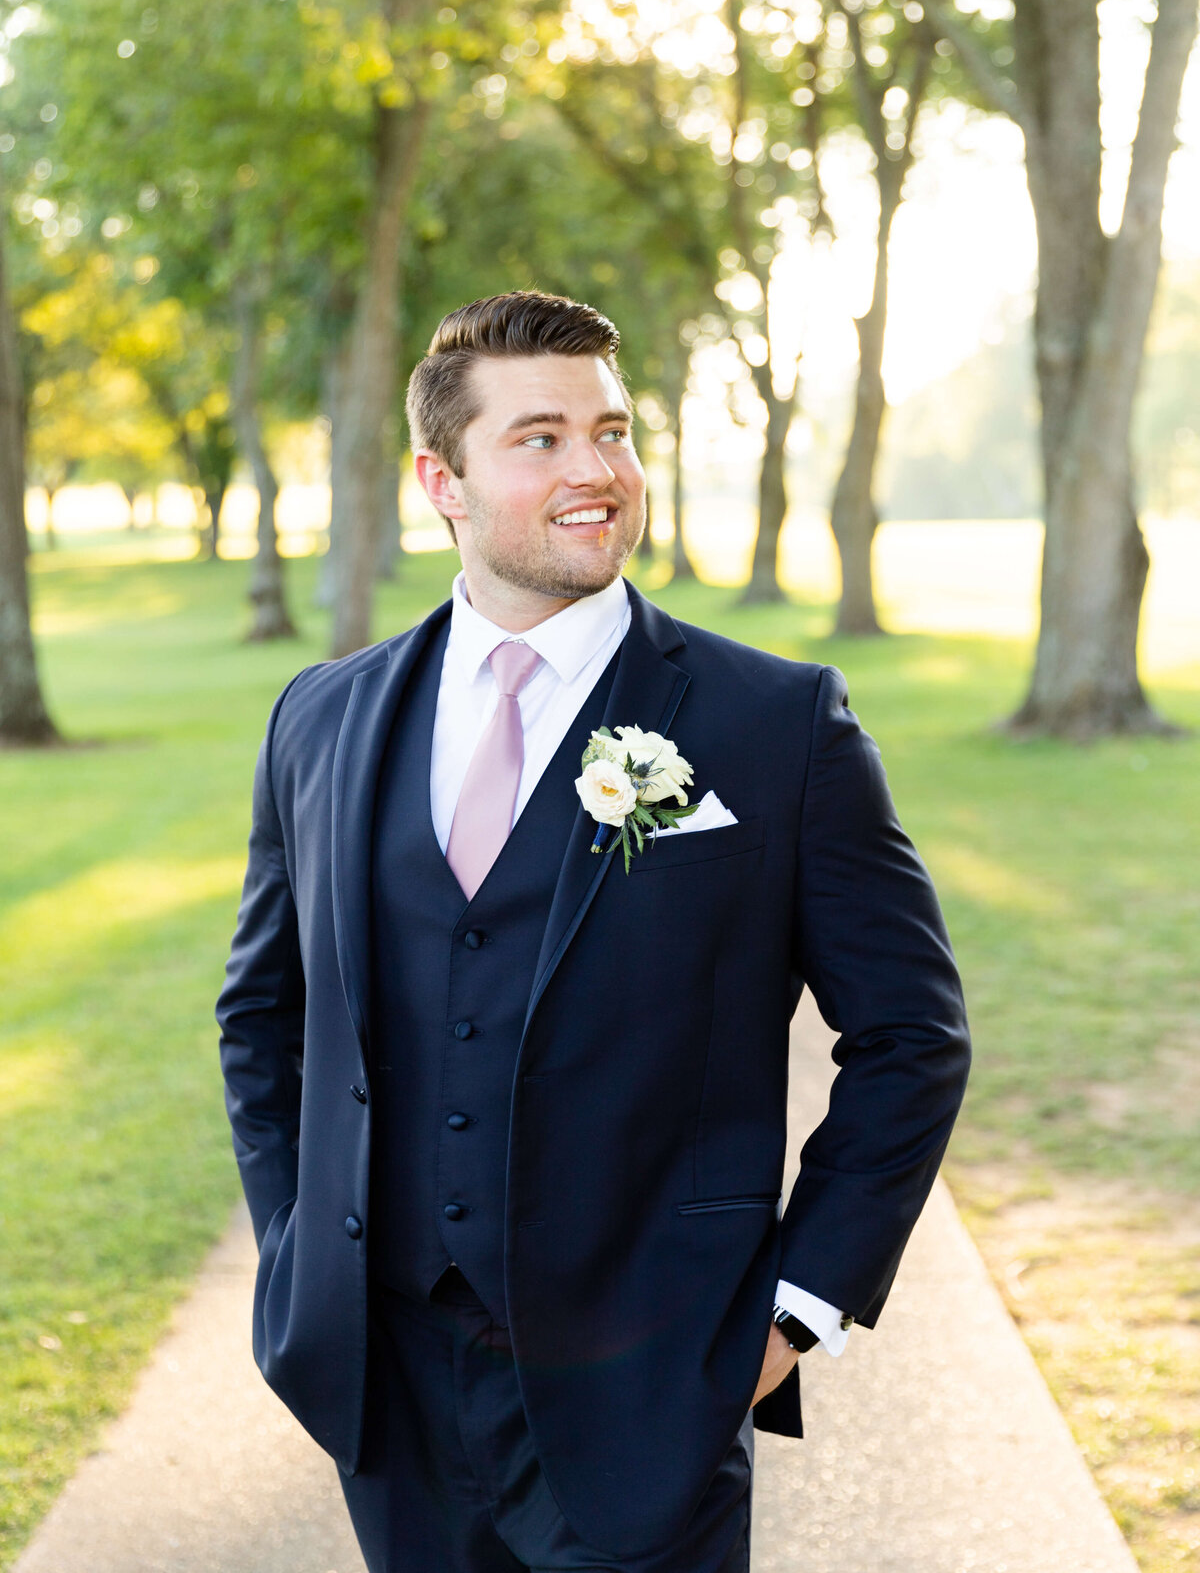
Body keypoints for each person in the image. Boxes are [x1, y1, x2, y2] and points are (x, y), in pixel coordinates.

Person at [217, 290, 970, 1573]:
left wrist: (796, 1310)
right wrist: (298, 1256)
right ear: (439, 480)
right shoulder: (321, 718)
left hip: (655, 1387)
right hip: (386, 1386)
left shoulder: (776, 723)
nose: (598, 472)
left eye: (613, 432)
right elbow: (263, 1018)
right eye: (543, 438)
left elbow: (911, 1036)